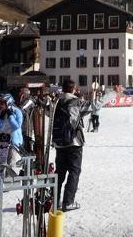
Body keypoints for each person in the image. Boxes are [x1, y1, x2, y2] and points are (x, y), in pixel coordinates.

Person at [54, 80, 91, 212]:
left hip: (59, 142)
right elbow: (94, 106)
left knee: (59, 173)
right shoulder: (76, 102)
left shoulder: (56, 102)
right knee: (74, 171)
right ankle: (68, 202)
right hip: (74, 142)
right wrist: (113, 93)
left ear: (63, 89)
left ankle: (55, 201)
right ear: (74, 89)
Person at [0, 93, 23, 164]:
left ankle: (9, 175)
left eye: (2, 103)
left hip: (13, 141)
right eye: (0, 103)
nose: (0, 105)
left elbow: (16, 126)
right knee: (0, 163)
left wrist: (10, 116)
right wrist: (0, 118)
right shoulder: (1, 112)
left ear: (8, 102)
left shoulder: (17, 112)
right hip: (3, 140)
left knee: (10, 163)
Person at [18, 88, 36, 153]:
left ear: (24, 94)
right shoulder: (24, 100)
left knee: (27, 141)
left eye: (20, 92)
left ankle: (28, 159)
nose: (19, 94)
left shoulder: (29, 101)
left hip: (28, 125)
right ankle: (25, 159)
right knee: (23, 142)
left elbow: (20, 110)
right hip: (24, 124)